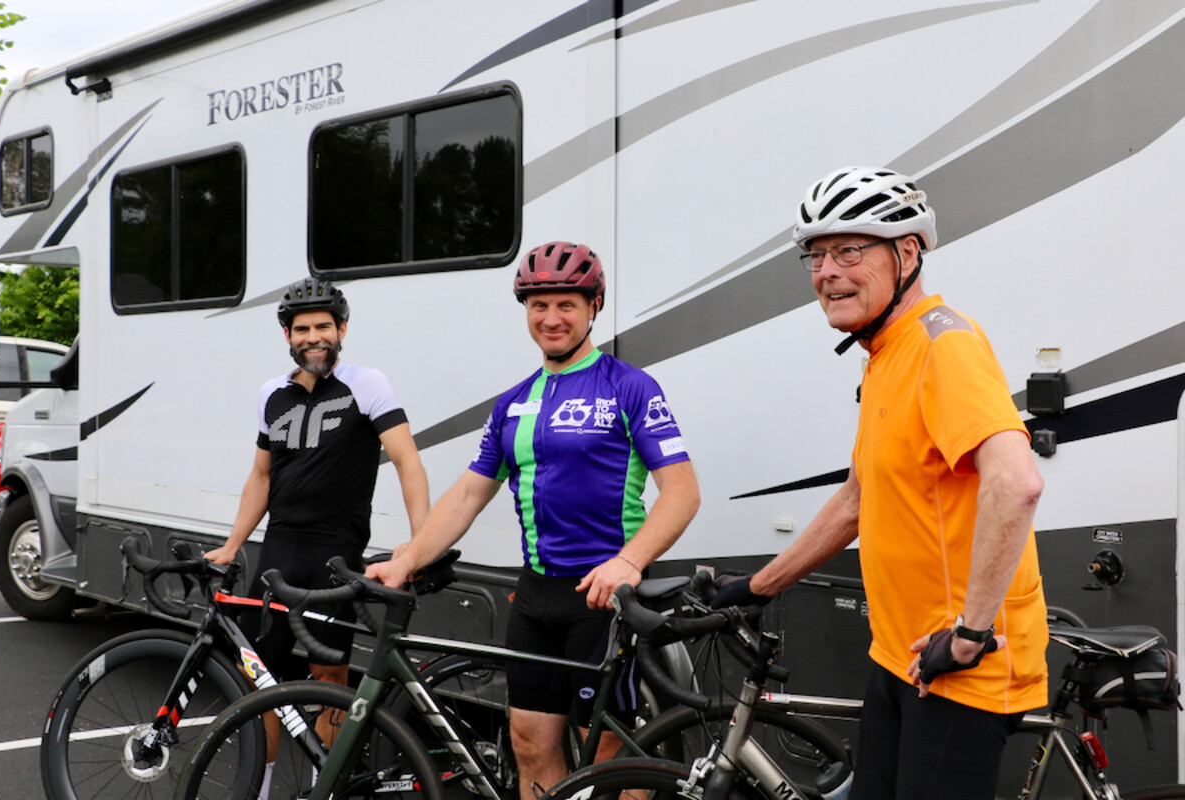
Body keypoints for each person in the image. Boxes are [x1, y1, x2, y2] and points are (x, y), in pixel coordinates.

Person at [713, 167, 1048, 799]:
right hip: (899, 656)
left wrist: (970, 635)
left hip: (958, 670)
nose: (826, 272)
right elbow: (858, 499)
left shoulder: (942, 344)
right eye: (816, 256)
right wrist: (757, 587)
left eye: (848, 251)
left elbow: (1016, 483)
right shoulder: (885, 353)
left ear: (907, 253)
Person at [368, 241, 700, 800]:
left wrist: (629, 562)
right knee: (528, 742)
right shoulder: (513, 403)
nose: (551, 318)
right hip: (536, 595)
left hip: (602, 596)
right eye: (538, 305)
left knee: (606, 754)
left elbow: (682, 491)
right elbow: (468, 495)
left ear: (594, 307)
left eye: (567, 304)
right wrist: (407, 559)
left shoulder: (628, 386)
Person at [205, 276, 430, 691]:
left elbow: (407, 463)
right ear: (287, 335)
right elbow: (261, 476)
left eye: (323, 327)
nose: (313, 338)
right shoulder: (272, 393)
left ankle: (328, 740)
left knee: (329, 676)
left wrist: (421, 545)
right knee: (256, 673)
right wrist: (233, 545)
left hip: (336, 554)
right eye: (302, 329)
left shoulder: (367, 384)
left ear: (341, 329)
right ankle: (270, 741)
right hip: (278, 548)